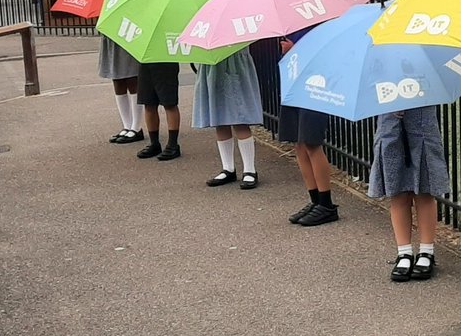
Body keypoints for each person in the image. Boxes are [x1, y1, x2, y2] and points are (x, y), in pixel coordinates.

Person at [367, 106, 450, 282]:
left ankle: (427, 251)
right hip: (390, 126)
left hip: (422, 125)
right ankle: (404, 252)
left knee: (424, 192)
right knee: (398, 193)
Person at [278, 29, 338, 226]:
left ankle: (326, 204)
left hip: (315, 86)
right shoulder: (289, 23)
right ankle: (315, 200)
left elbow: (326, 53)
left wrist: (295, 50)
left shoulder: (320, 22)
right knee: (299, 143)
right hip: (294, 85)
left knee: (312, 143)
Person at [192, 47, 263, 189]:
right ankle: (228, 168)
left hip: (235, 62)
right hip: (212, 61)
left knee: (240, 117)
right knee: (219, 118)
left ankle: (250, 169)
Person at [98, 35, 143, 144]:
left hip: (127, 37)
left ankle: (136, 127)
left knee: (132, 79)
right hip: (111, 37)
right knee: (117, 80)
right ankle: (126, 125)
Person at [136, 61, 182, 161]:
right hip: (146, 61)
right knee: (148, 103)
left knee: (169, 104)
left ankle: (173, 144)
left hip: (166, 61)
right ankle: (154, 143)